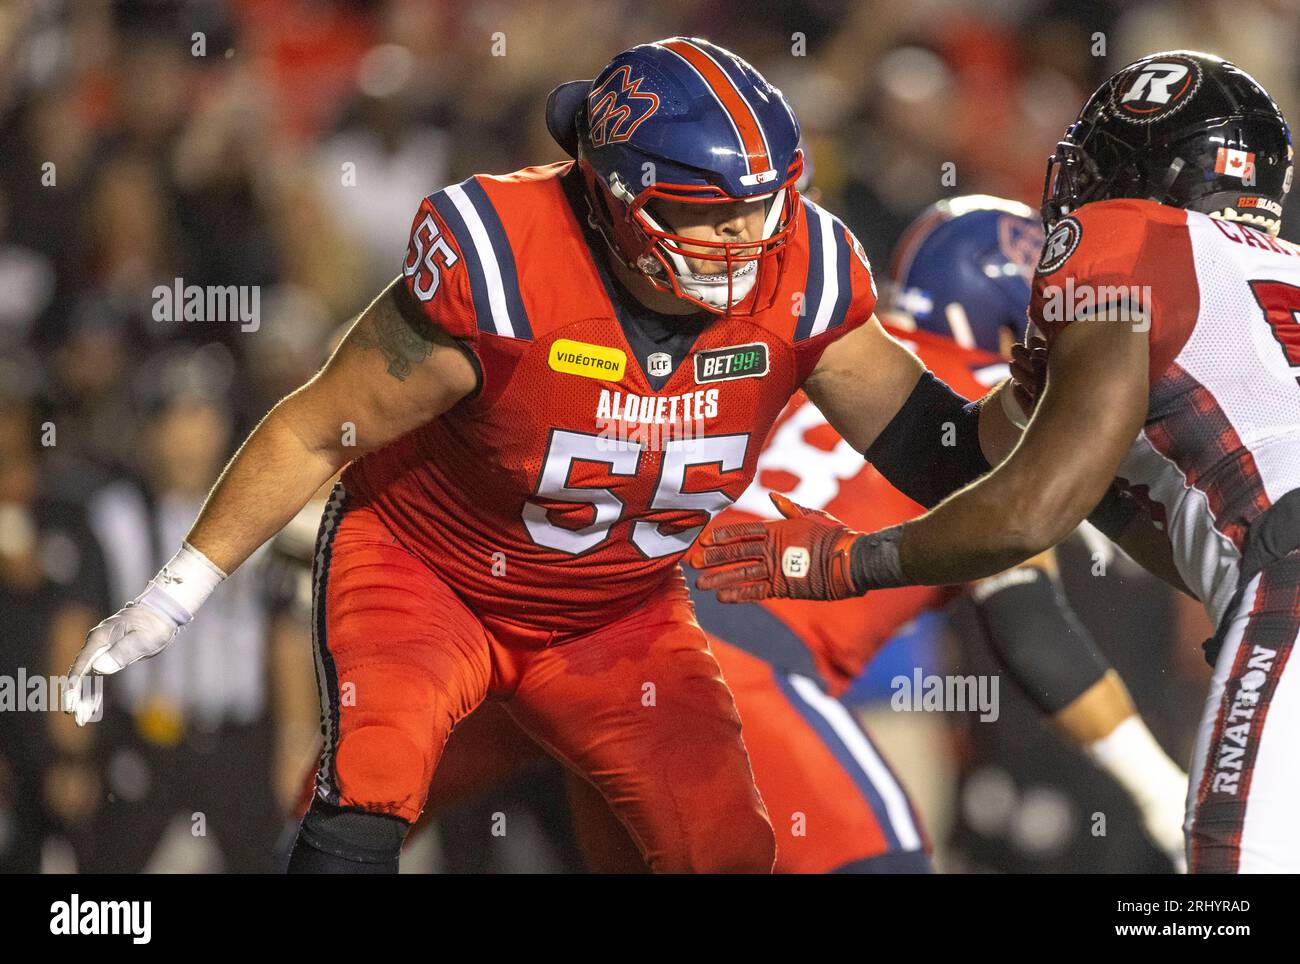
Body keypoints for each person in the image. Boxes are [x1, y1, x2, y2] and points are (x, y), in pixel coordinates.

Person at [64, 38, 1025, 873]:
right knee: (373, 779)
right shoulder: (503, 262)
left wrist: (1058, 425)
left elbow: (931, 447)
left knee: (726, 842)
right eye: (713, 210)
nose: (752, 235)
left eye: (767, 205)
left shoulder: (803, 271)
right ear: (618, 198)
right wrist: (177, 590)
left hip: (619, 606)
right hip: (432, 569)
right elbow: (319, 425)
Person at [691, 51, 1300, 874]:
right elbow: (994, 466)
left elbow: (1023, 508)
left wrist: (854, 558)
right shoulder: (1264, 288)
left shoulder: (1121, 241)